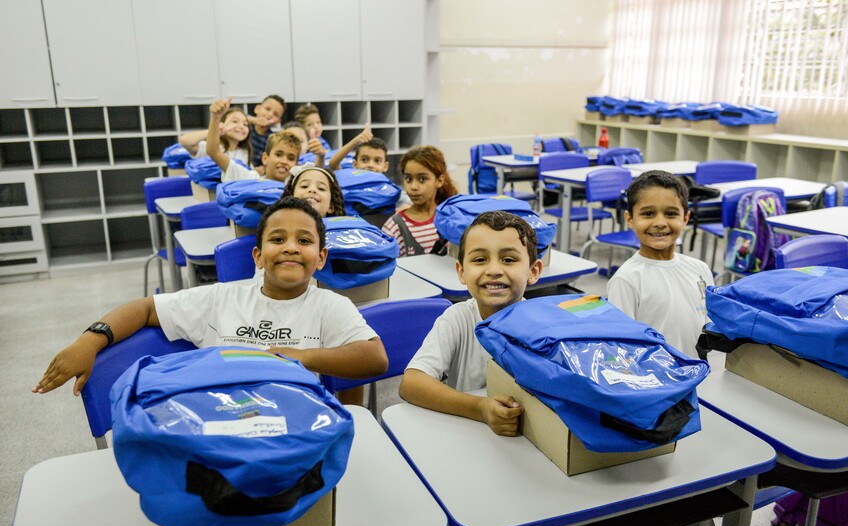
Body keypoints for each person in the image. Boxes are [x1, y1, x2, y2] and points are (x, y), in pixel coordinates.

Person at [34, 196, 389, 396]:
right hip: (217, 418)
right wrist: (91, 339)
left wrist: (299, 356)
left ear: (321, 258)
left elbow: (374, 358)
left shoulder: (329, 305)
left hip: (292, 427)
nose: (291, 248)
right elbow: (144, 309)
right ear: (258, 256)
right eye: (277, 239)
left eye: (305, 241)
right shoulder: (221, 298)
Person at [399, 211, 543, 436]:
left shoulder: (545, 327)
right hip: (467, 432)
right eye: (479, 259)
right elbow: (412, 383)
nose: (494, 270)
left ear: (533, 271)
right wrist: (480, 408)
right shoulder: (457, 319)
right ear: (461, 272)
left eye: (508, 259)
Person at [606, 170, 714, 358]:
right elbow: (622, 346)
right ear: (630, 219)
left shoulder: (700, 269)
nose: (660, 222)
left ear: (685, 219)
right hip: (656, 380)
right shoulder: (626, 279)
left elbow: (709, 329)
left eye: (671, 214)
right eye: (648, 214)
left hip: (698, 374)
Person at [382, 145, 458, 255]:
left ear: (439, 181)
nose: (413, 186)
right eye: (408, 179)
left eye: (422, 179)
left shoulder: (451, 217)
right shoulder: (394, 228)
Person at [179, 103, 251, 165]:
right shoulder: (211, 147)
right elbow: (185, 140)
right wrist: (215, 130)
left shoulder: (244, 151)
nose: (241, 126)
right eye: (235, 121)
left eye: (245, 124)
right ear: (221, 123)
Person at [248, 94, 286, 171]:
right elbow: (236, 119)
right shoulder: (245, 125)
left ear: (278, 121)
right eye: (267, 109)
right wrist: (254, 120)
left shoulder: (273, 139)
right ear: (257, 109)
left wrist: (264, 169)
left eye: (276, 114)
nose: (270, 114)